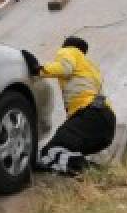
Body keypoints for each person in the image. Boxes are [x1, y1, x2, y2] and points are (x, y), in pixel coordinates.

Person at [22, 36, 116, 175]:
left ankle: (90, 171)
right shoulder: (91, 67)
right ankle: (93, 172)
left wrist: (38, 69)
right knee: (67, 151)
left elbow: (65, 68)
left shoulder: (69, 51)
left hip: (90, 114)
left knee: (51, 151)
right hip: (106, 123)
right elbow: (99, 96)